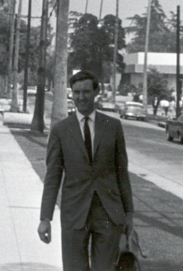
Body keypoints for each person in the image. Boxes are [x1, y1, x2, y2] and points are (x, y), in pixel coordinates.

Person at [38, 70, 134, 271]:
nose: (81, 97)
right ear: (71, 93)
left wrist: (129, 214)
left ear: (96, 92)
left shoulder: (113, 126)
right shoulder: (60, 130)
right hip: (74, 212)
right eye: (76, 92)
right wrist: (45, 218)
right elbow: (53, 176)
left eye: (86, 92)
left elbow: (121, 172)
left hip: (108, 213)